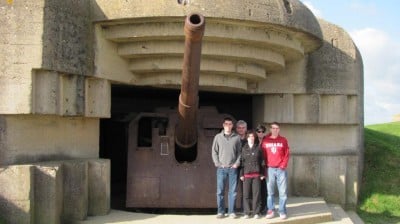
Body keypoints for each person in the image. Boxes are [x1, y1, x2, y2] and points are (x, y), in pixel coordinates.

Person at [211, 117, 242, 219]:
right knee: (220, 191)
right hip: (221, 169)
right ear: (223, 125)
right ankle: (221, 212)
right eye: (226, 124)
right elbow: (214, 152)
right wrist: (218, 163)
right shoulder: (218, 137)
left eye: (230, 124)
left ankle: (231, 212)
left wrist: (236, 163)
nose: (228, 126)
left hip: (233, 169)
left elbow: (240, 153)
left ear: (232, 126)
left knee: (232, 192)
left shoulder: (237, 138)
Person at [261, 122, 290, 220]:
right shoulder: (265, 141)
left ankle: (282, 211)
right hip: (270, 169)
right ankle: (271, 210)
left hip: (281, 169)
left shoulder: (283, 140)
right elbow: (263, 154)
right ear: (270, 129)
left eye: (277, 128)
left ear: (279, 129)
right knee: (270, 192)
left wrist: (283, 165)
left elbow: (287, 154)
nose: (275, 130)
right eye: (273, 128)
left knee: (283, 192)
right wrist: (265, 166)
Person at [239, 130, 265, 219]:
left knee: (256, 194)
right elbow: (242, 162)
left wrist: (262, 173)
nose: (251, 138)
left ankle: (256, 212)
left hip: (256, 175)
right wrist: (241, 174)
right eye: (249, 136)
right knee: (246, 194)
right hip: (246, 175)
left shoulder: (258, 148)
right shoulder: (244, 148)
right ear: (247, 138)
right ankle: (247, 212)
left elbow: (262, 162)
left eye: (253, 136)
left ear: (255, 138)